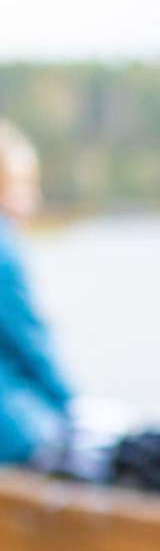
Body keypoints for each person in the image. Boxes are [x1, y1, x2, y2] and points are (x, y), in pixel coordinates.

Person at [0, 120, 73, 467]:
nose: (35, 198)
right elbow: (29, 344)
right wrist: (74, 408)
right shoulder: (3, 249)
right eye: (26, 185)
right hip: (13, 433)